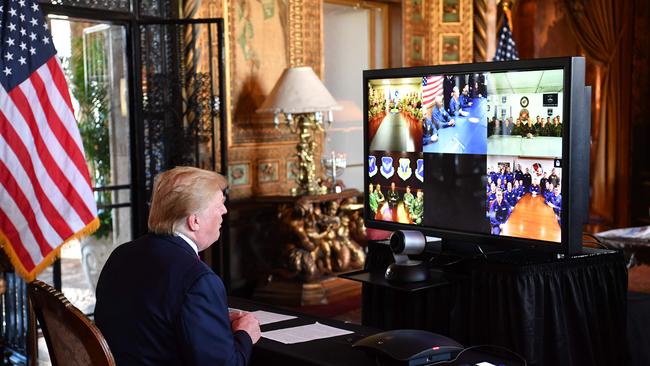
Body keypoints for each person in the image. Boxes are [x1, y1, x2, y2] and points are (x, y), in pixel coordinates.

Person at [95, 167, 261, 366]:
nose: (225, 211)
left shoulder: (121, 254)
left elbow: (152, 317)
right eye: (219, 205)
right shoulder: (199, 280)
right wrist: (246, 334)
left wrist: (210, 315)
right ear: (195, 221)